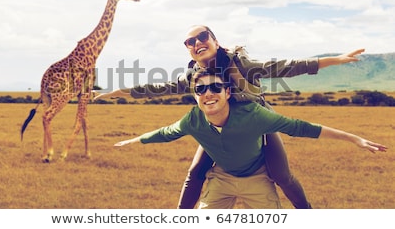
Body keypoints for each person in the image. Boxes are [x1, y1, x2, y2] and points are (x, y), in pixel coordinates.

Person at [95, 25, 366, 209]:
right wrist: (120, 91)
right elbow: (159, 88)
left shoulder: (241, 66)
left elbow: (287, 67)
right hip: (218, 125)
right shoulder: (191, 77)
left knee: (281, 175)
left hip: (256, 123)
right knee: (195, 173)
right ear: (188, 50)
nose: (197, 43)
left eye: (202, 37)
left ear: (215, 41)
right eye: (190, 42)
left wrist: (335, 59)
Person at [114, 68, 387, 209]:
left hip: (257, 178)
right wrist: (135, 140)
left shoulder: (254, 115)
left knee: (283, 180)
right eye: (201, 89)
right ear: (194, 95)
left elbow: (302, 127)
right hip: (220, 179)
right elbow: (165, 133)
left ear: (228, 92)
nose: (208, 93)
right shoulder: (192, 120)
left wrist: (354, 139)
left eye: (215, 87)